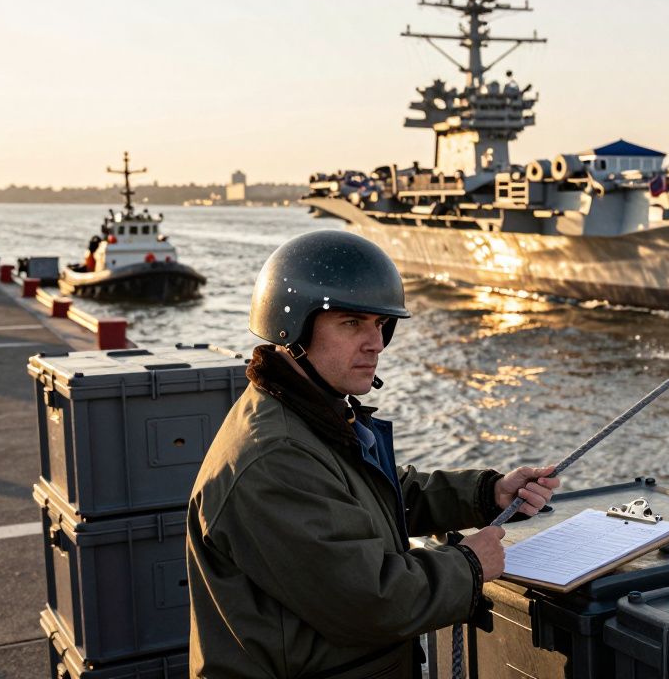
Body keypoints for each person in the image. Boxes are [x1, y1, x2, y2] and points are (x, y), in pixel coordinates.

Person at [186, 229, 560, 678]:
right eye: (352, 323)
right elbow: (367, 602)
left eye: (380, 325)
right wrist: (468, 566)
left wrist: (488, 493)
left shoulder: (308, 415)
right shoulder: (274, 458)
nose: (375, 344)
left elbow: (380, 494)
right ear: (294, 331)